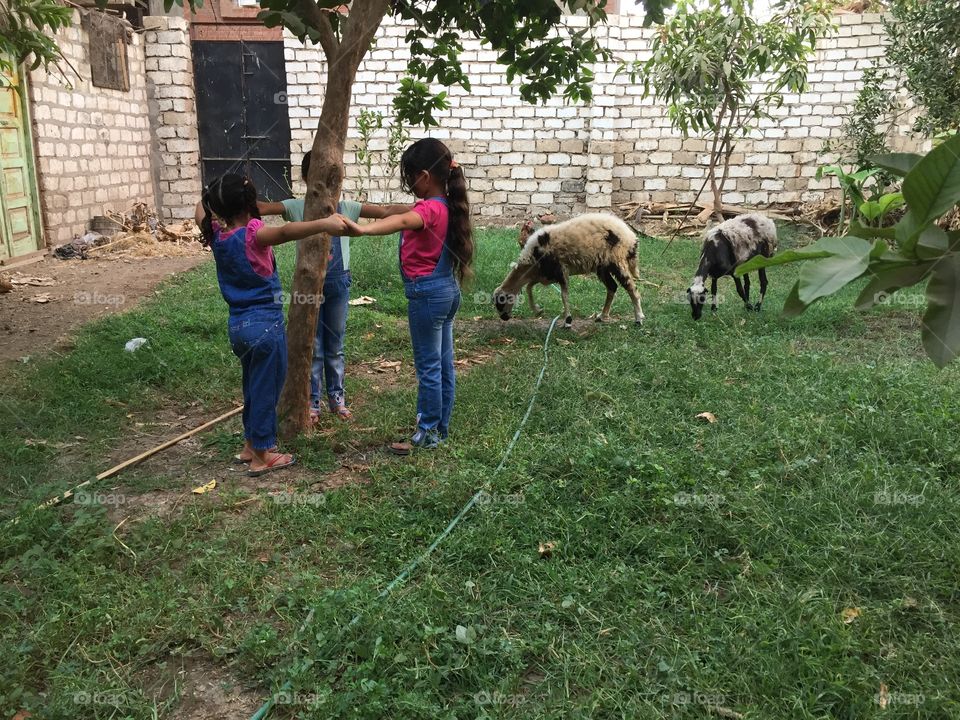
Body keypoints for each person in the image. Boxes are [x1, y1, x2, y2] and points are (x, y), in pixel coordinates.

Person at [195, 173, 347, 476]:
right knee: (266, 391)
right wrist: (325, 224)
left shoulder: (215, 235)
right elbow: (288, 231)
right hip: (265, 326)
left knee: (253, 386)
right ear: (249, 203)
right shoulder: (253, 233)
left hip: (238, 327)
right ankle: (263, 455)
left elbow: (200, 209)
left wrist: (214, 193)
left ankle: (251, 445)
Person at [339, 138, 474, 455]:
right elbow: (394, 211)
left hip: (427, 296)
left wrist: (363, 231)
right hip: (446, 292)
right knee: (443, 365)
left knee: (429, 367)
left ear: (425, 176)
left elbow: (401, 220)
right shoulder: (447, 206)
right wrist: (358, 211)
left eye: (410, 177)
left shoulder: (427, 210)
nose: (409, 183)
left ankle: (427, 431)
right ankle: (440, 429)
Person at [260, 151, 410, 422]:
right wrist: (232, 202)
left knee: (335, 344)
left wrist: (422, 208)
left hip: (338, 282)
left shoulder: (348, 208)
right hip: (308, 285)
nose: (327, 188)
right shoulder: (296, 206)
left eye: (333, 181)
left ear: (339, 182)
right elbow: (263, 208)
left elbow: (385, 212)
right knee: (313, 343)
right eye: (320, 180)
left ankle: (337, 398)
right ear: (306, 178)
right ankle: (313, 400)